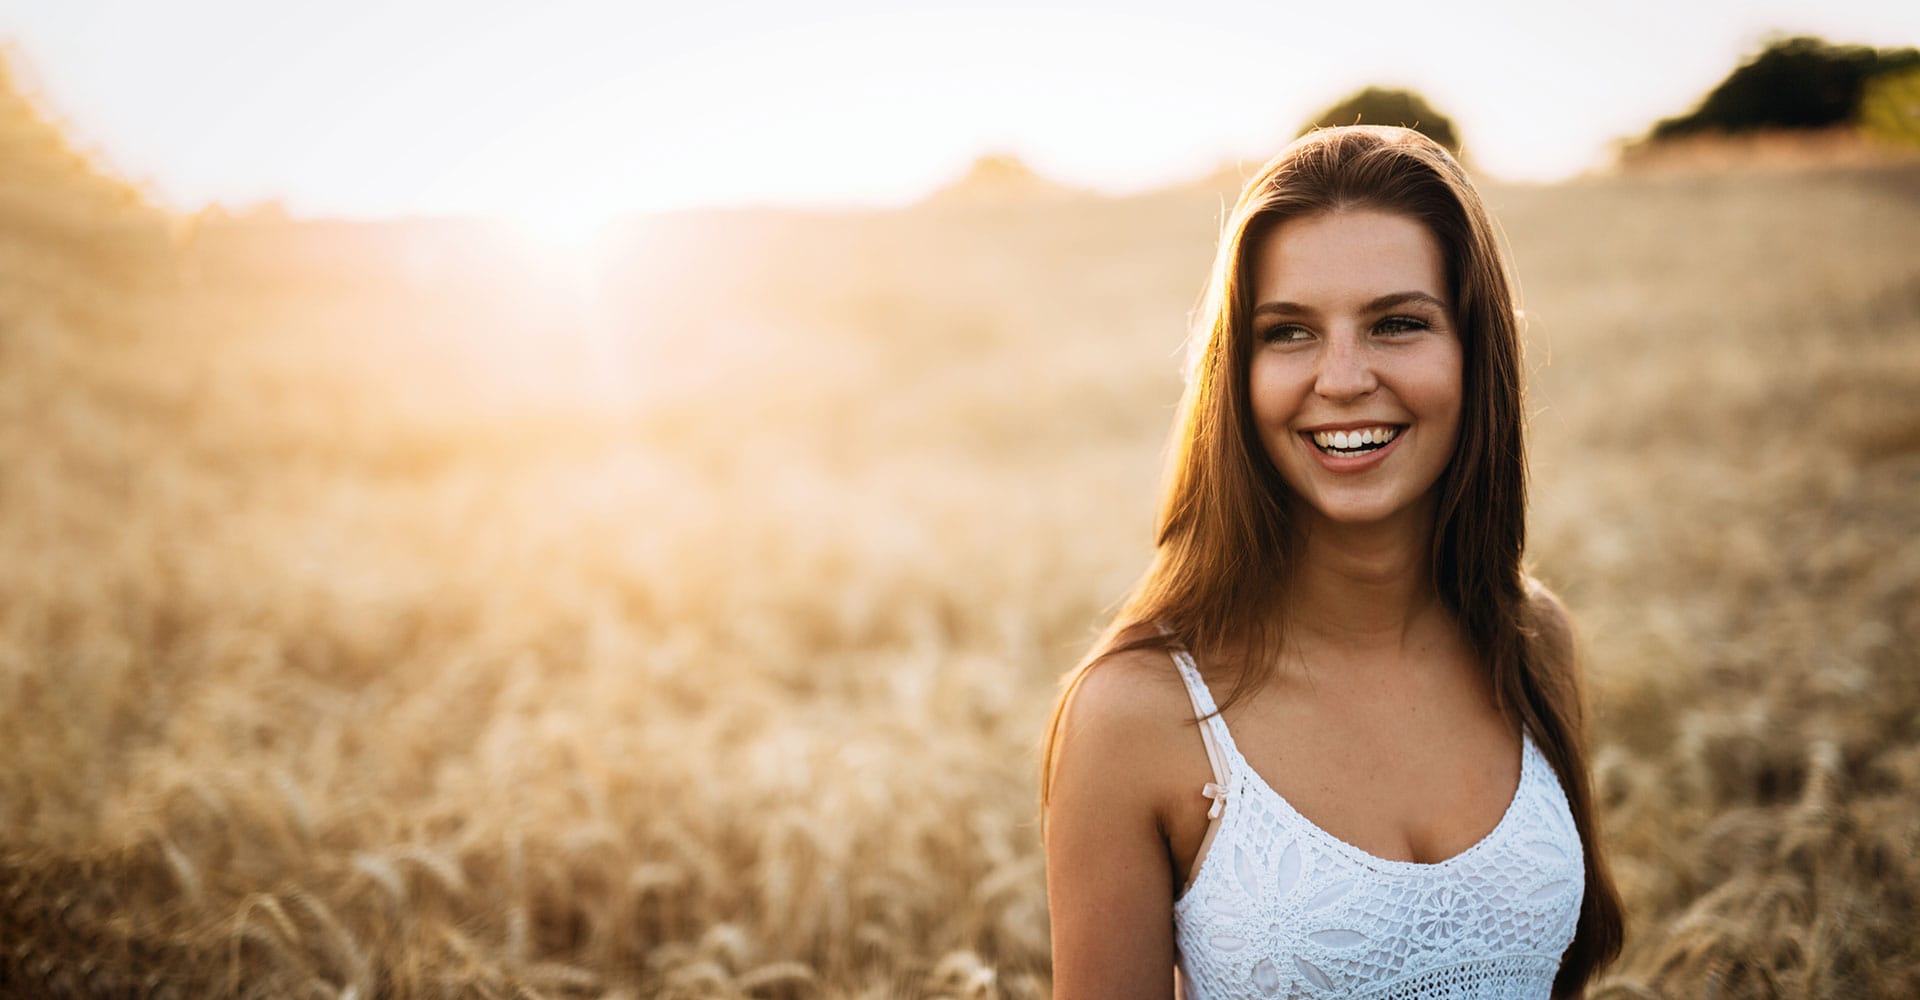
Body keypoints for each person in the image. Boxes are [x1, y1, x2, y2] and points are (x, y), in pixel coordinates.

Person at [1039, 126, 1624, 998]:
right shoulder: (1137, 717)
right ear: (1236, 374)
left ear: (1474, 351)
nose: (1343, 378)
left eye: (1397, 323)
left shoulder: (1529, 639)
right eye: (1289, 333)